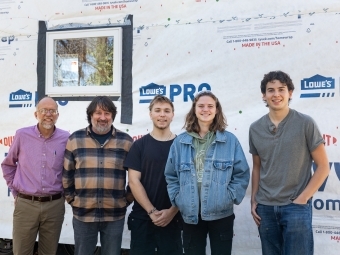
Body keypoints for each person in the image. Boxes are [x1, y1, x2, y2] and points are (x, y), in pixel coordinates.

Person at [249, 71, 330, 255]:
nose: (276, 94)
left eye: (281, 89)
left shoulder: (305, 123)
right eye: (270, 90)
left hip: (296, 207)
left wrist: (302, 199)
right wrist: (254, 199)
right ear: (264, 95)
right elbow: (257, 167)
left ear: (290, 92)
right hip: (266, 209)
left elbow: (323, 166)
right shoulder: (255, 128)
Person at [165, 90, 250, 255]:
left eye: (210, 106)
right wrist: (178, 198)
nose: (206, 109)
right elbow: (171, 175)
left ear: (216, 110)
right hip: (190, 214)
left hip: (221, 214)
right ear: (194, 109)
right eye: (201, 106)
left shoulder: (229, 140)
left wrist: (229, 197)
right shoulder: (179, 142)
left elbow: (241, 174)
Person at [62, 96, 133, 255]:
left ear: (113, 116)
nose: (102, 117)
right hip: (83, 213)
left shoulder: (126, 141)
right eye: (98, 113)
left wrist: (126, 200)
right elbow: (67, 174)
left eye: (107, 113)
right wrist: (73, 200)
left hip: (114, 214)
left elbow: (135, 177)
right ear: (90, 115)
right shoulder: (75, 139)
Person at [1, 97, 69, 255]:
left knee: (49, 252)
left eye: (52, 111)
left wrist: (65, 194)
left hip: (54, 205)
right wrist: (16, 191)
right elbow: (8, 165)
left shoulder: (66, 138)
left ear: (57, 115)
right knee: (21, 251)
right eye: (44, 110)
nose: (48, 114)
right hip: (26, 205)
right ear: (36, 114)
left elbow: (69, 170)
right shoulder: (22, 135)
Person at [124, 95, 182, 255]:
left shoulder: (182, 146)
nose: (162, 114)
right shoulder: (139, 146)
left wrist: (172, 211)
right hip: (143, 219)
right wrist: (151, 212)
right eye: (157, 110)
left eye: (166, 111)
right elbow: (134, 181)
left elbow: (187, 183)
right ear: (150, 114)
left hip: (173, 219)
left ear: (172, 114)